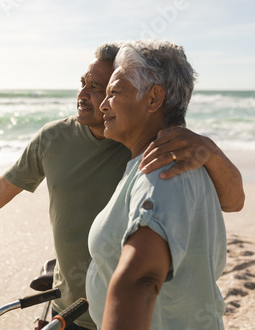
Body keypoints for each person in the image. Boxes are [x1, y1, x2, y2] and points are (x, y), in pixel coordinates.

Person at [0, 42, 244, 330]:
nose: (88, 97)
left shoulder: (160, 154)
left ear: (150, 99)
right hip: (69, 304)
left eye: (106, 89)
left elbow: (141, 279)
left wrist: (211, 152)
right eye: (83, 84)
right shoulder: (56, 137)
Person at [86, 39, 228, 330]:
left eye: (114, 92)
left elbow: (140, 280)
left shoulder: (162, 171)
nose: (102, 105)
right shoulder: (180, 159)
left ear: (153, 99)